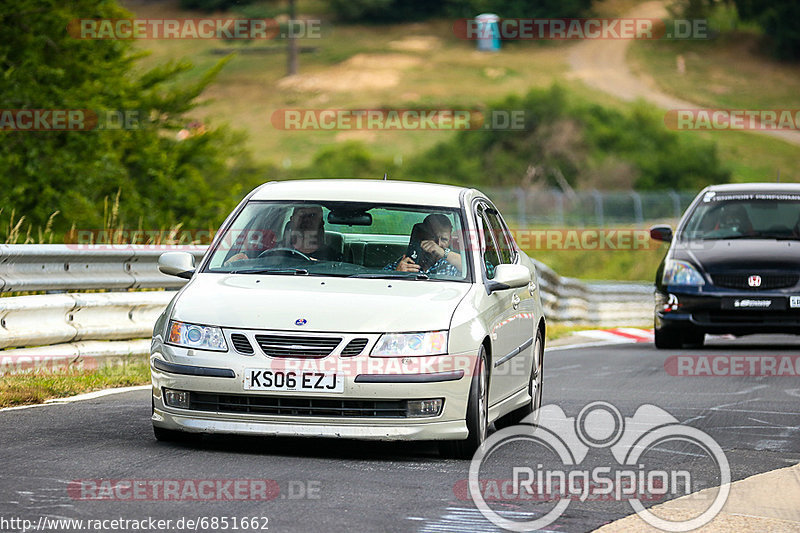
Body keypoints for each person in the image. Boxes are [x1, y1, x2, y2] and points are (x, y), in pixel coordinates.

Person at [385, 214, 463, 276]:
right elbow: (379, 283)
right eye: (434, 238)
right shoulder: (406, 262)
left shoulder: (453, 264)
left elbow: (473, 268)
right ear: (423, 237)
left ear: (450, 240)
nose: (438, 244)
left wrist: (443, 253)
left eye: (444, 239)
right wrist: (397, 273)